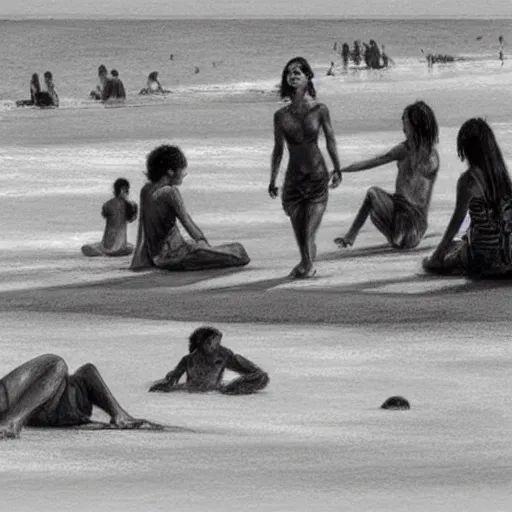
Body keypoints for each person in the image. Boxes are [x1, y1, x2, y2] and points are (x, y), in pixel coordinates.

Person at [269, 57, 342, 278]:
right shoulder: (280, 116)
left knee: (309, 231)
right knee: (300, 232)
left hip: (317, 177)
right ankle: (306, 262)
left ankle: (307, 265)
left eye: (297, 72)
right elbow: (278, 150)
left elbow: (330, 141)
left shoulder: (320, 109)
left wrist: (337, 169)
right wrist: (272, 180)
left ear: (308, 77)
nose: (292, 76)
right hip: (293, 180)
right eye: (289, 73)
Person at [334, 100, 439, 250]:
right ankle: (355, 237)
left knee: (373, 194)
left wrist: (341, 170)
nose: (403, 127)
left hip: (409, 223)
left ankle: (351, 236)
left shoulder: (406, 150)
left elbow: (372, 162)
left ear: (414, 125)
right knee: (387, 202)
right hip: (416, 225)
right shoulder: (431, 153)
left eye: (405, 122)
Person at [130, 145, 250, 271]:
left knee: (213, 250)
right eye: (182, 169)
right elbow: (186, 221)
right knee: (238, 252)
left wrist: (139, 261)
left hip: (158, 258)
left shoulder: (146, 190)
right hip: (174, 256)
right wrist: (202, 241)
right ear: (170, 171)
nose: (184, 173)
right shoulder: (170, 192)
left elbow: (143, 230)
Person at [423, 118, 512, 277]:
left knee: (443, 253)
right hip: (508, 255)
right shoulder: (502, 176)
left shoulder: (469, 181)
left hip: (486, 259)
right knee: (462, 240)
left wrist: (437, 256)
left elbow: (456, 223)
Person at [0, 354, 160, 439]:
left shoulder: (76, 384)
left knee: (69, 366)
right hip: (45, 403)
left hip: (54, 403)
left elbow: (61, 367)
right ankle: (12, 421)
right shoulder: (70, 384)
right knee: (61, 365)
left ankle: (120, 415)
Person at [149, 326, 269, 395]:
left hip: (214, 392)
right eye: (211, 342)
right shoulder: (188, 359)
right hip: (190, 392)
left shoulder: (223, 355)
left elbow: (252, 372)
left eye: (217, 342)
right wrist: (166, 383)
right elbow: (173, 378)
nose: (215, 345)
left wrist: (237, 386)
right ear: (201, 342)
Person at [81, 178, 138, 257]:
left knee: (86, 247)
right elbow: (131, 219)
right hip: (120, 246)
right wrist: (134, 209)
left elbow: (104, 214)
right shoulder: (129, 205)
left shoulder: (107, 204)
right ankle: (111, 252)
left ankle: (104, 253)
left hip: (106, 245)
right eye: (126, 190)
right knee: (131, 247)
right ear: (123, 190)